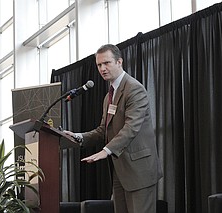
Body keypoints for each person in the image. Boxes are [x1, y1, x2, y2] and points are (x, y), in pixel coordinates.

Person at [64, 44, 163, 213]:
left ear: (119, 62)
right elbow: (103, 130)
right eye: (99, 65)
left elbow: (131, 127)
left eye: (107, 63)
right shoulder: (109, 96)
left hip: (139, 171)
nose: (102, 68)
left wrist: (106, 150)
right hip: (120, 171)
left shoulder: (134, 89)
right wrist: (77, 136)